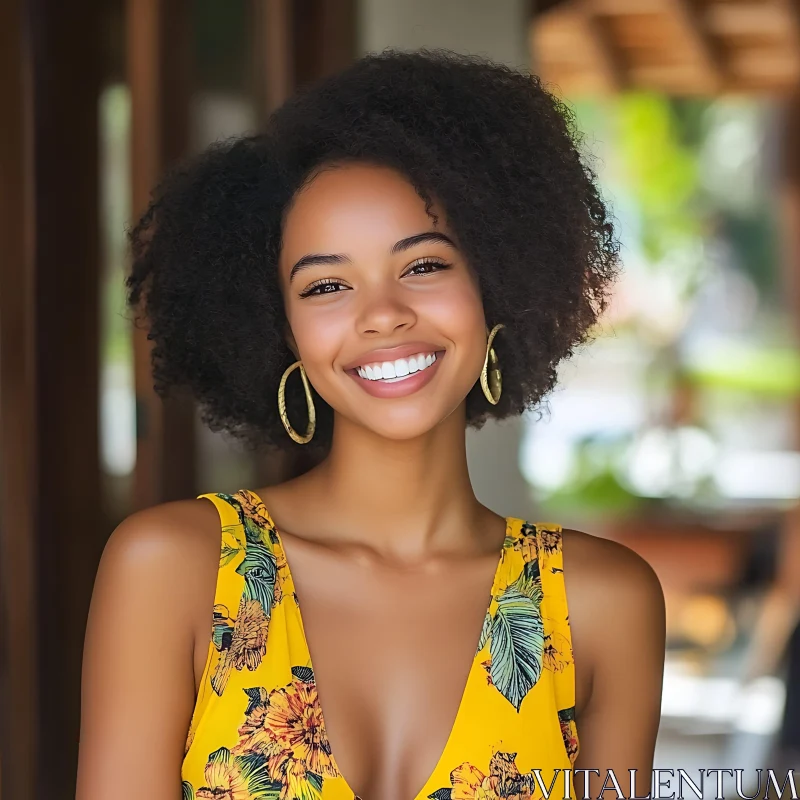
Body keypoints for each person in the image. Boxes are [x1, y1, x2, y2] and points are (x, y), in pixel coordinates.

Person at [76, 49, 666, 800]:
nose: (382, 313)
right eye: (326, 285)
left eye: (423, 266)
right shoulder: (172, 571)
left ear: (496, 283)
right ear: (282, 331)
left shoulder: (602, 603)